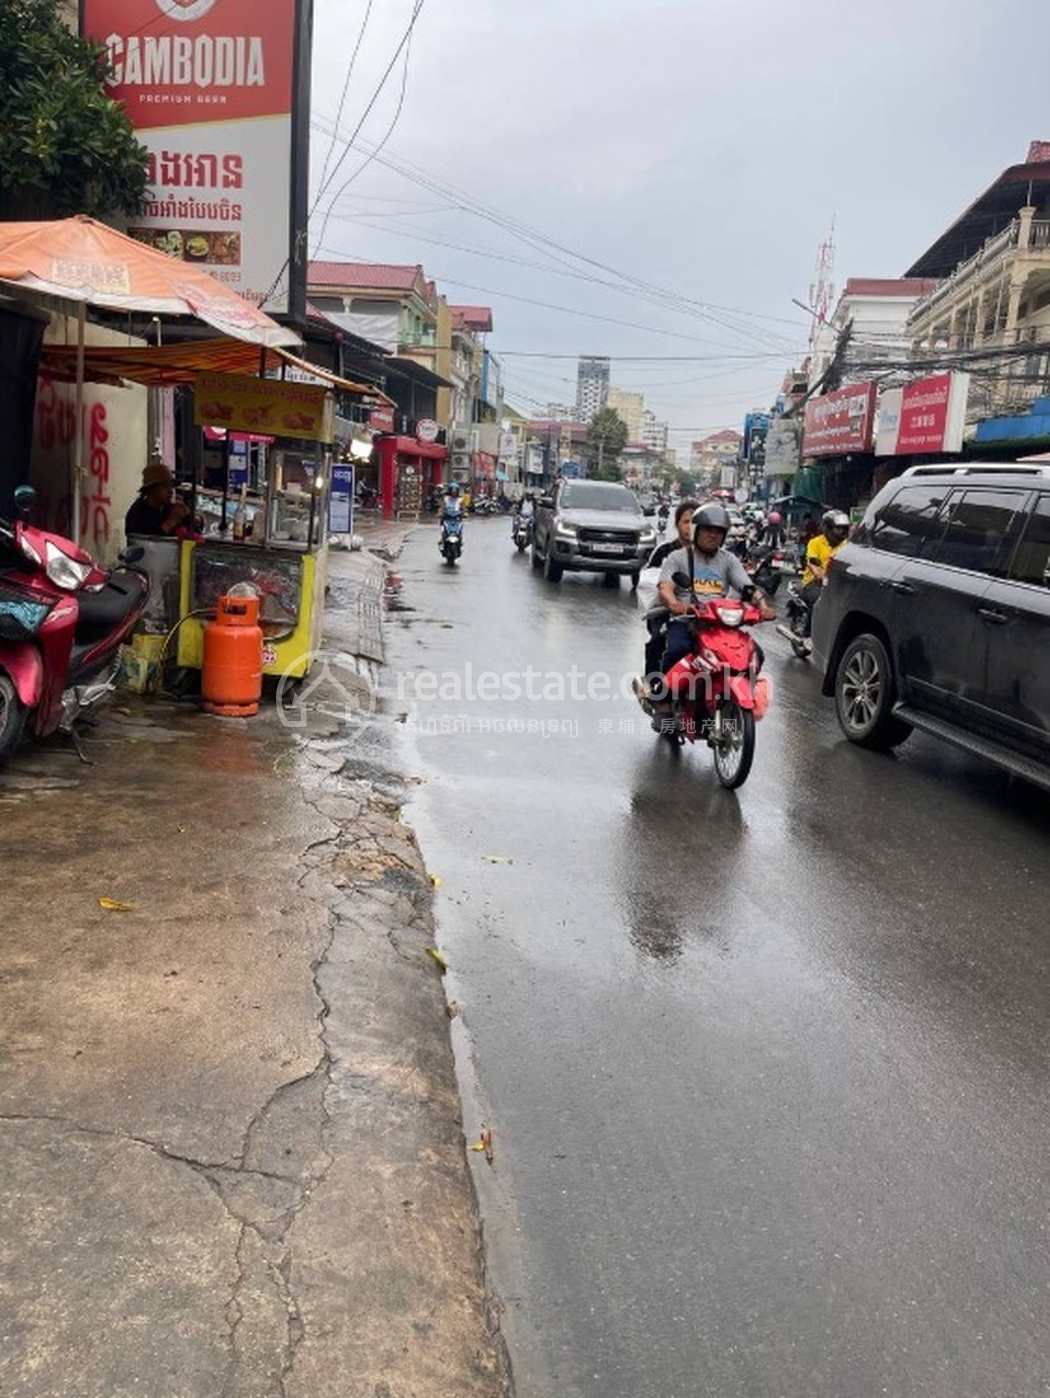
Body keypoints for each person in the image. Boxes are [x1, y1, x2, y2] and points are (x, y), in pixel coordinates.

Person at [646, 502, 775, 709]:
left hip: (720, 624)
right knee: (678, 649)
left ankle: (730, 696)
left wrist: (762, 606)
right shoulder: (678, 557)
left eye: (718, 532)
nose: (713, 535)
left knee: (755, 654)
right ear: (697, 530)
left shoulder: (729, 560)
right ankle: (665, 700)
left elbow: (747, 587)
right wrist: (674, 604)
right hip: (687, 620)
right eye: (708, 530)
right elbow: (665, 586)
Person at [798, 509, 850, 640]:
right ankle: (807, 634)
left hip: (836, 583)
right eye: (837, 529)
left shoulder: (846, 545)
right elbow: (812, 563)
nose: (841, 532)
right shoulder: (815, 542)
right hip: (814, 582)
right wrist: (819, 574)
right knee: (819, 600)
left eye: (843, 529)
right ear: (827, 528)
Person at [124, 461, 190, 538]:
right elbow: (146, 541)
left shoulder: (168, 509)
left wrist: (189, 518)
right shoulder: (138, 512)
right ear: (151, 489)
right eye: (165, 487)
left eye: (171, 487)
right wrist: (170, 522)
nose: (170, 491)